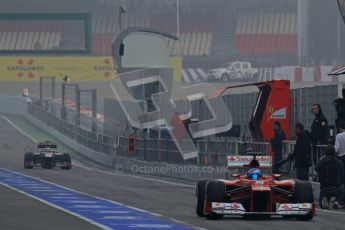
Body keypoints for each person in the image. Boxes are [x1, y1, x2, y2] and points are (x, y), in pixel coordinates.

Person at [335, 121, 345, 187]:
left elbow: (336, 148)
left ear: (340, 128)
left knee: (342, 174)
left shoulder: (339, 135)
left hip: (341, 157)